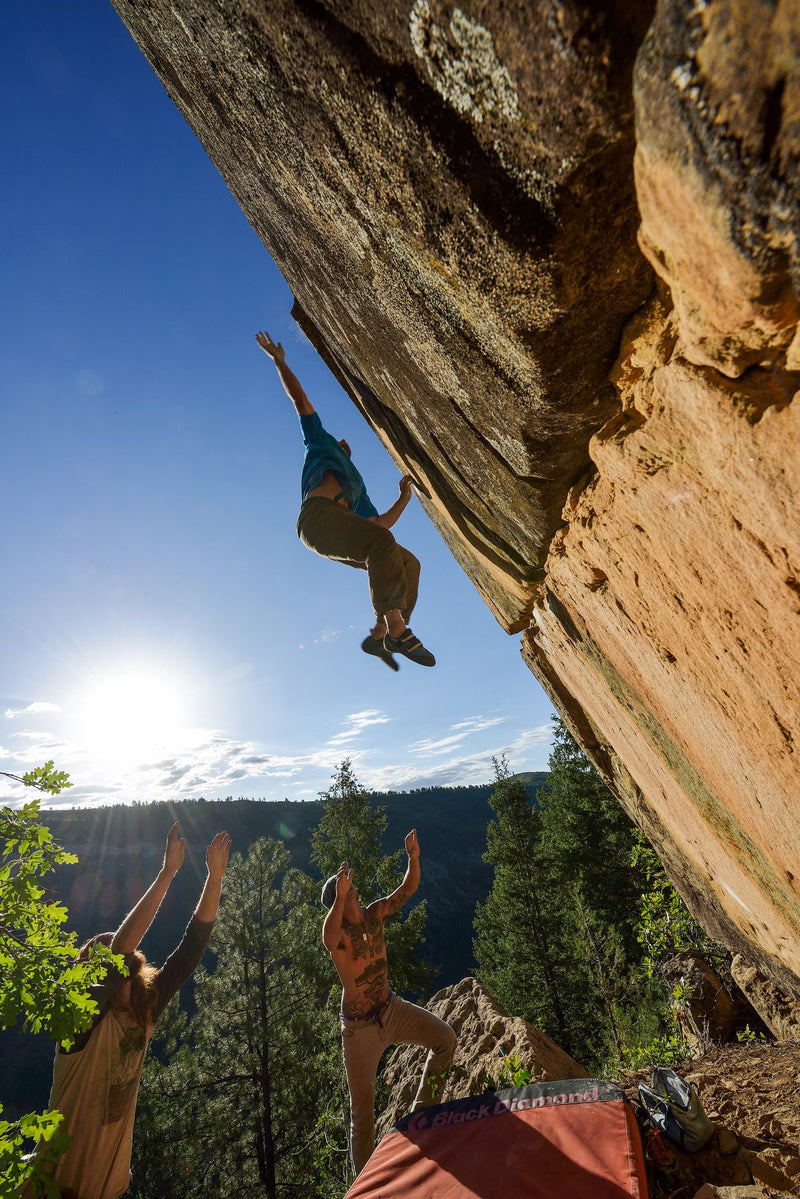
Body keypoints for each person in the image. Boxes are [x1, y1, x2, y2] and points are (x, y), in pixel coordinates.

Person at [30, 823, 232, 1199]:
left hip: (110, 1189)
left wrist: (215, 877)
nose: (110, 943)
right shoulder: (81, 1022)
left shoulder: (145, 1011)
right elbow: (121, 948)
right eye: (99, 950)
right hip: (53, 1190)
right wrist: (167, 873)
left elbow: (193, 945)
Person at [256, 329, 435, 670]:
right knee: (382, 544)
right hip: (316, 521)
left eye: (347, 447)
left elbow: (379, 524)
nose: (345, 445)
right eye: (342, 443)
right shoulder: (319, 443)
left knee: (408, 562)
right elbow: (300, 403)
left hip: (341, 527)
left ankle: (383, 631)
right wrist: (281, 361)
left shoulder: (357, 490)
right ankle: (396, 629)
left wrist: (405, 497)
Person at [321, 829, 456, 1175]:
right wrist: (338, 898)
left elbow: (407, 891)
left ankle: (421, 1122)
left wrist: (412, 858)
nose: (355, 890)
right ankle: (366, 1187)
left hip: (391, 1009)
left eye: (351, 888)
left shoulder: (375, 914)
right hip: (359, 1031)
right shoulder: (340, 941)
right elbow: (327, 937)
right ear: (338, 898)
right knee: (361, 1117)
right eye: (347, 889)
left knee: (445, 1041)